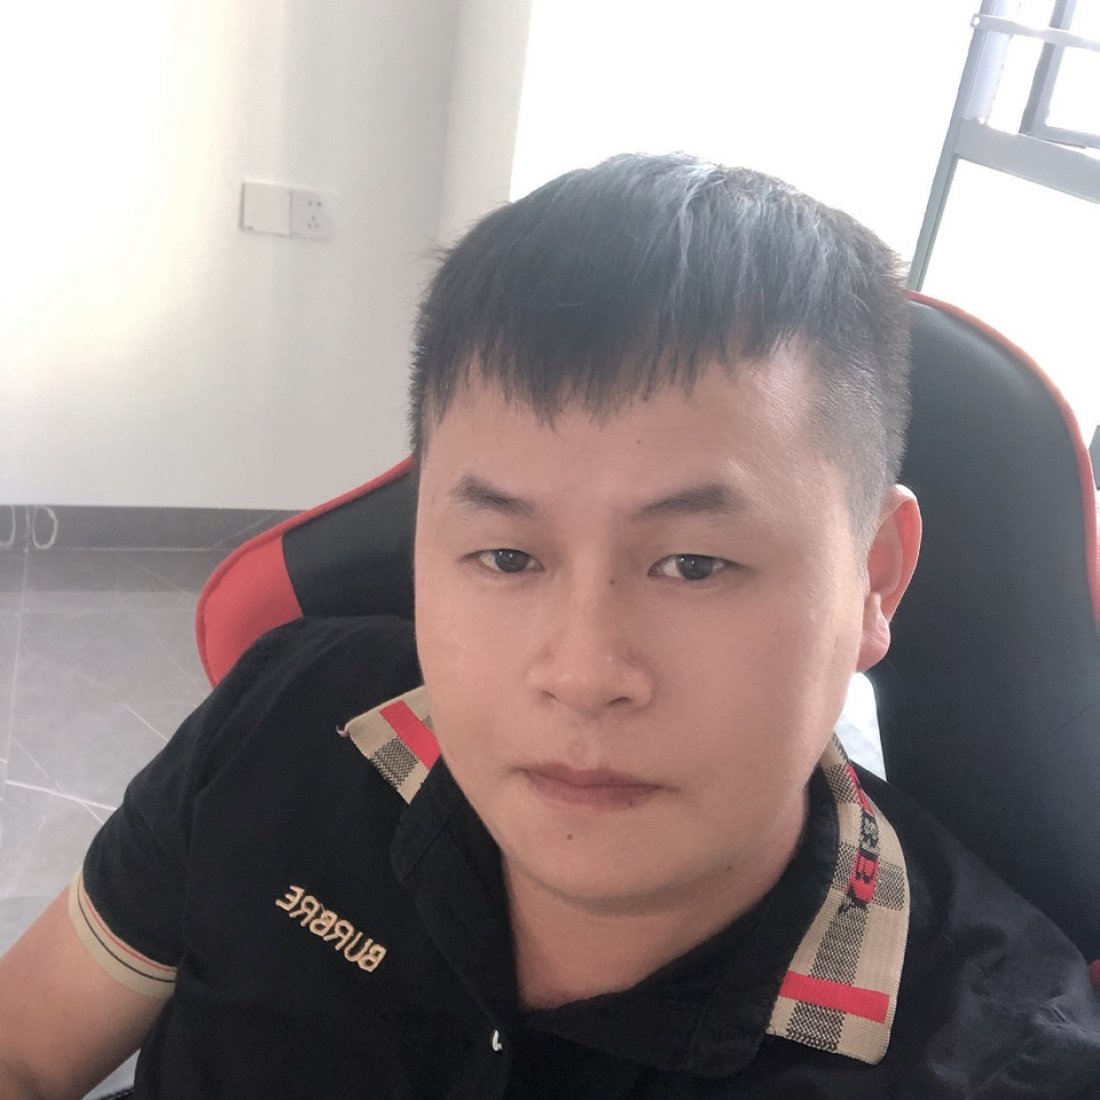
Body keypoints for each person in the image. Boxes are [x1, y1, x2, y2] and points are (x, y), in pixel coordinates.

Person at [1, 153, 1098, 1099]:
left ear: (872, 579)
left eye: (694, 563)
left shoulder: (1000, 1066)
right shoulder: (289, 725)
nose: (581, 674)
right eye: (507, 556)